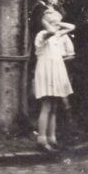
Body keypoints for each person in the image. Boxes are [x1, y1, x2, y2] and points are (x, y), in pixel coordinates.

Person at [33, 10, 75, 152]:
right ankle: (42, 139)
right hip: (46, 71)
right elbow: (50, 31)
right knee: (46, 105)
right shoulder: (43, 35)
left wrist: (58, 22)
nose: (58, 27)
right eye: (55, 23)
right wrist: (47, 21)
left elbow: (71, 27)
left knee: (54, 107)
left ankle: (52, 138)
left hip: (56, 70)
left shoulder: (57, 35)